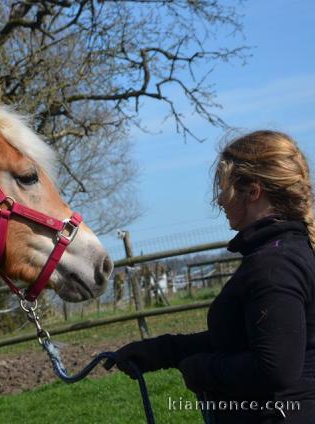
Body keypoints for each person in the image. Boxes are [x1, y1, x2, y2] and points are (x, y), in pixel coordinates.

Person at [110, 131, 315, 423]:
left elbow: (275, 370)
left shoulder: (274, 265)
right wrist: (164, 352)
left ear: (253, 191)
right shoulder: (283, 253)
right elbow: (241, 338)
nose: (219, 199)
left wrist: (201, 370)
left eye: (224, 188)